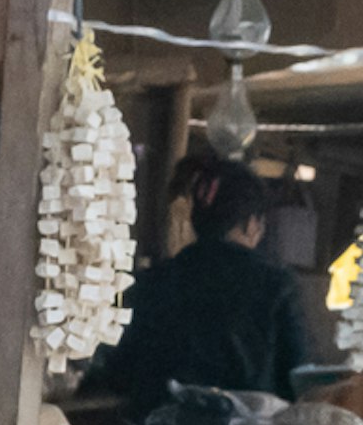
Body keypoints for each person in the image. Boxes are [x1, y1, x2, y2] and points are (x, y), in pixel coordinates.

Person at [91, 154, 313, 403]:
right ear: (252, 224)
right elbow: (299, 379)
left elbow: (117, 372)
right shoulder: (278, 286)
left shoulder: (150, 283)